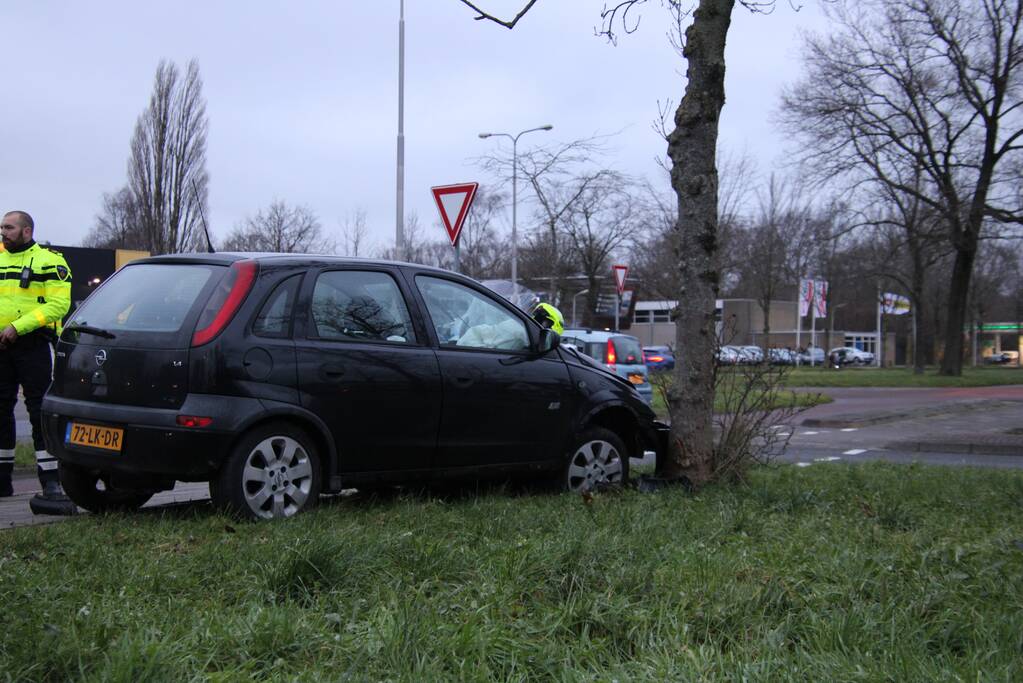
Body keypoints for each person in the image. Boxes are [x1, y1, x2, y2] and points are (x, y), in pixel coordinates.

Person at [0, 211, 72, 502]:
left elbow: (58, 305)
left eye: (9, 227)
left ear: (27, 231)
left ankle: (51, 481)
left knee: (39, 410)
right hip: (2, 347)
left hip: (33, 345)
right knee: (0, 411)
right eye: (2, 227)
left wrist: (18, 327)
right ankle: (2, 480)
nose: (3, 232)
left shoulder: (49, 261)